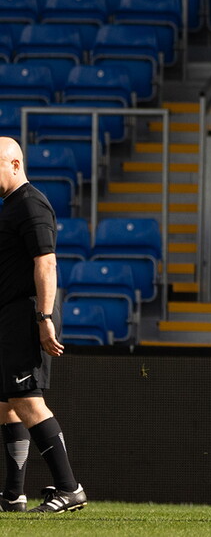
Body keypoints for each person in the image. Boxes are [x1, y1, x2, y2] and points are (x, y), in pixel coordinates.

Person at [0, 136, 85, 513]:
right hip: (10, 315)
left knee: (28, 399)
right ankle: (13, 494)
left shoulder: (31, 203)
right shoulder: (10, 206)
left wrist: (44, 318)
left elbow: (46, 263)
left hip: (27, 312)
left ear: (15, 164)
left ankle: (70, 489)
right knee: (6, 405)